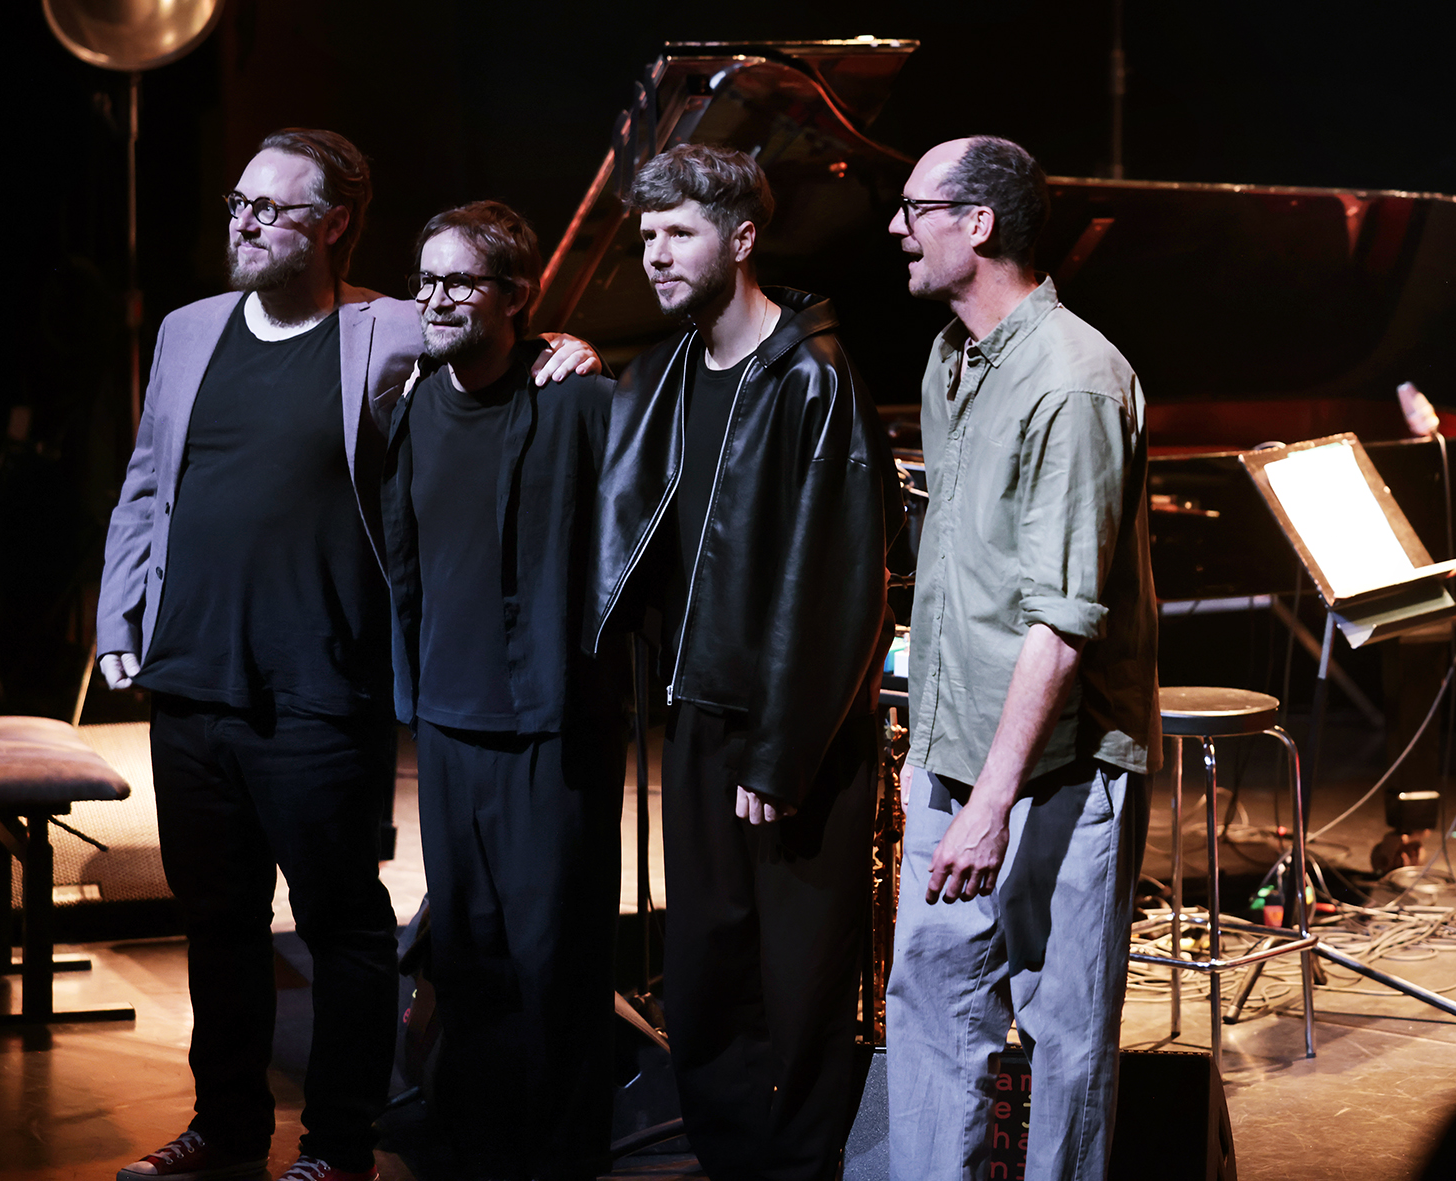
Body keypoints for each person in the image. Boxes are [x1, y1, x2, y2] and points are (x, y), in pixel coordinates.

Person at [96, 129, 596, 1181]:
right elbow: (145, 481)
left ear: (332, 224)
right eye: (238, 202)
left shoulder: (389, 327)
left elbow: (491, 321)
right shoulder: (188, 329)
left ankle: (337, 1142)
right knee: (218, 922)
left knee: (341, 924)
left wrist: (568, 345)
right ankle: (225, 1124)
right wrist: (119, 615)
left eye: (268, 209)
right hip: (190, 675)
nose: (243, 223)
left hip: (320, 682)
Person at [587, 143, 900, 1181]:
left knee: (801, 979)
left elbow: (841, 587)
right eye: (646, 236)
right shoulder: (664, 371)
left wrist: (780, 749)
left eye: (678, 233)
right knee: (706, 968)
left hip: (792, 730)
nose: (655, 255)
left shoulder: (812, 376)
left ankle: (800, 1168)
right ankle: (730, 1162)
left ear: (742, 238)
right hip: (700, 713)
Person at [881, 136, 1161, 1181]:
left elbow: (1060, 621)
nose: (896, 227)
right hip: (957, 753)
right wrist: (929, 755)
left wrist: (991, 802)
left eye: (915, 208)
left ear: (978, 223)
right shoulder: (949, 360)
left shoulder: (1075, 382)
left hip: (1058, 769)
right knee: (929, 1004)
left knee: (1062, 1034)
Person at [380, 201, 621, 1181]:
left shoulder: (580, 401)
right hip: (448, 721)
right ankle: (473, 1145)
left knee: (556, 959)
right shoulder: (412, 406)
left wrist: (588, 353)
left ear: (517, 296)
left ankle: (563, 1157)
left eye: (459, 280)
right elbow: (402, 560)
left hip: (552, 727)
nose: (435, 298)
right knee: (468, 954)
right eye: (426, 279)